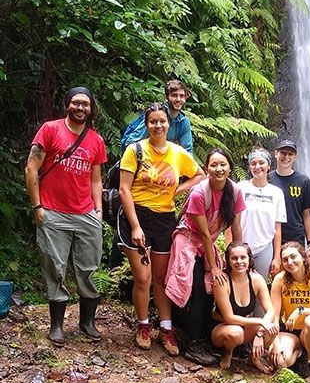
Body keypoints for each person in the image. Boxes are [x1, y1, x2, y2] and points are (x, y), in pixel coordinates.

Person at [118, 103, 204, 354]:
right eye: (153, 121)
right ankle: (143, 325)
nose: (158, 126)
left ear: (169, 124)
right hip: (136, 216)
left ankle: (166, 329)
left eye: (162, 121)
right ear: (147, 125)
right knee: (143, 278)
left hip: (164, 218)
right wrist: (135, 226)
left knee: (161, 278)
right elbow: (124, 189)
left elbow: (199, 174)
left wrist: (176, 190)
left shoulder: (178, 153)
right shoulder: (135, 151)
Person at [25, 87, 107, 346]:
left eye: (85, 104)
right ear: (67, 105)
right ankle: (57, 326)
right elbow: (31, 168)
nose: (80, 107)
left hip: (85, 213)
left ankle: (87, 322)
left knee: (89, 269)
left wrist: (98, 210)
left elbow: (96, 178)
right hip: (53, 212)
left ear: (91, 109)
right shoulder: (50, 130)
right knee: (55, 267)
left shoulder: (96, 140)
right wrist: (38, 206)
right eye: (75, 103)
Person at [165, 148, 246, 366]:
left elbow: (236, 228)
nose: (219, 169)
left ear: (230, 166)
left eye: (223, 164)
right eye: (213, 165)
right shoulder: (200, 193)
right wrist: (214, 267)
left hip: (207, 241)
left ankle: (208, 337)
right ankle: (193, 343)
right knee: (200, 287)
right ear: (207, 168)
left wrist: (239, 256)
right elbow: (202, 234)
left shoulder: (235, 191)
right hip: (189, 239)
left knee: (215, 287)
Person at [269, 242, 310, 383]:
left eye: (293, 257)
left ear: (303, 257)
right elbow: (274, 313)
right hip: (290, 330)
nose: (290, 262)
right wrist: (276, 342)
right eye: (285, 259)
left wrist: (301, 310)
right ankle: (299, 352)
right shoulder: (280, 279)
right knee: (280, 362)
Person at [230, 148, 286, 308]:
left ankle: (260, 328)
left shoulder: (276, 193)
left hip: (264, 247)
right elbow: (231, 221)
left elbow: (278, 228)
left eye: (261, 163)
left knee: (259, 286)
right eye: (253, 163)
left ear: (269, 165)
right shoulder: (240, 188)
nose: (257, 166)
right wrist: (231, 247)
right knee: (239, 286)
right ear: (249, 167)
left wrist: (276, 257)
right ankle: (240, 325)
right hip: (242, 247)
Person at [211, 242, 279, 372]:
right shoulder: (222, 282)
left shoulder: (257, 279)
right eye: (234, 258)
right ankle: (227, 353)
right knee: (235, 332)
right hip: (223, 329)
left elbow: (270, 310)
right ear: (228, 261)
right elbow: (229, 317)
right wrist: (260, 321)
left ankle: (253, 358)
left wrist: (260, 333)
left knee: (272, 327)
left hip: (245, 328)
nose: (239, 262)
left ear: (249, 259)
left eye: (243, 257)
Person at [121, 79, 194, 154]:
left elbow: (187, 150)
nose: (178, 99)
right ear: (166, 98)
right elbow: (130, 143)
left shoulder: (183, 121)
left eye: (181, 96)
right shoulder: (155, 115)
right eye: (174, 95)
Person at [269, 139, 310, 247]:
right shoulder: (267, 179)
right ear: (276, 153)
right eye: (283, 153)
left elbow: (306, 215)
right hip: (271, 237)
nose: (286, 157)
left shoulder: (303, 181)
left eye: (290, 154)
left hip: (296, 237)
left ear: (295, 156)